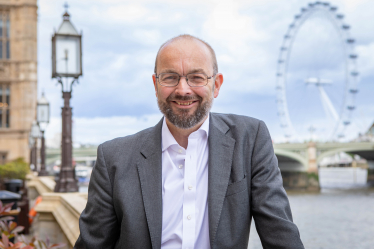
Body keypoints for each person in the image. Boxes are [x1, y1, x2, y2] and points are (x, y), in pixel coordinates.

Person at [74, 34, 304, 249]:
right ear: (155, 85)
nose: (183, 90)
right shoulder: (113, 158)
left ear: (217, 85)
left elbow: (279, 233)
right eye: (170, 78)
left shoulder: (250, 139)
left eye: (196, 77)